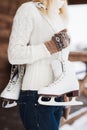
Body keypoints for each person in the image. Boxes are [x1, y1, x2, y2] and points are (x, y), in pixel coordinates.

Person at [8, 0, 70, 130]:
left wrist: (65, 94)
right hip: (36, 95)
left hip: (57, 97)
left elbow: (61, 59)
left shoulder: (59, 16)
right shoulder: (29, 10)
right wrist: (49, 47)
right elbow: (14, 54)